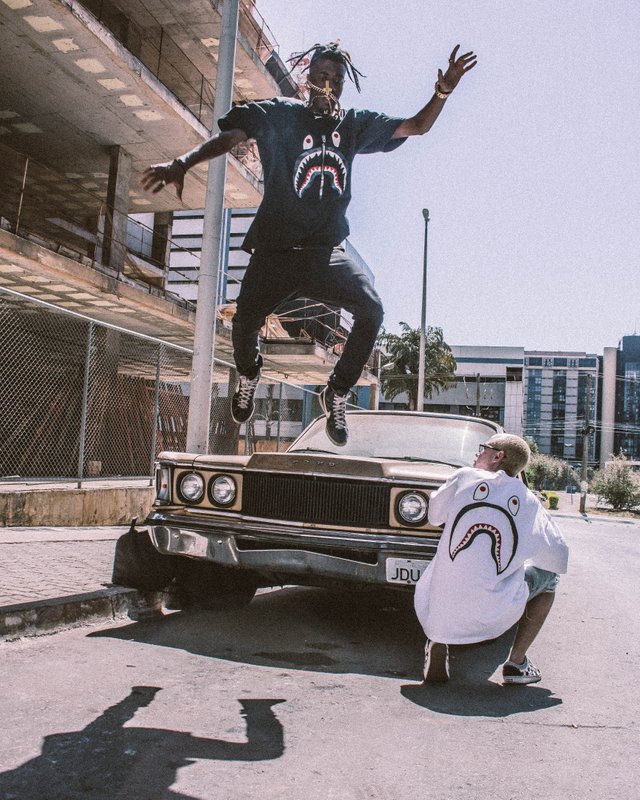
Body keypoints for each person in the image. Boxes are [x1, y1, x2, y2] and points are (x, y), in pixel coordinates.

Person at [142, 42, 476, 446]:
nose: (329, 86)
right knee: (244, 321)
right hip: (275, 252)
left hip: (324, 254)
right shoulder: (278, 114)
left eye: (336, 81)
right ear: (307, 78)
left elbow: (416, 126)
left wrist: (442, 92)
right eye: (322, 77)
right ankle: (249, 374)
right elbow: (230, 136)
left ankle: (336, 391)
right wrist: (182, 163)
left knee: (371, 309)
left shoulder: (353, 124)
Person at [414, 434, 569, 685]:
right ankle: (516, 664)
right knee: (550, 579)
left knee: (448, 567)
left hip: (439, 607)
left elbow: (434, 516)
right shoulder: (529, 501)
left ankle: (438, 639)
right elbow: (558, 557)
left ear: (498, 456)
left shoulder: (464, 477)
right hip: (495, 613)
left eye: (483, 449)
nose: (477, 454)